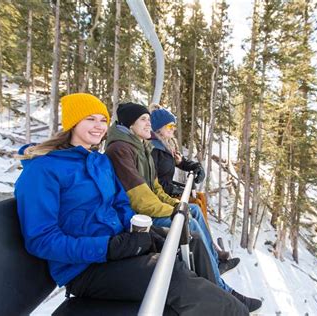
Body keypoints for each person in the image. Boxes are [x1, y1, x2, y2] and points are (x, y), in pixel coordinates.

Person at [14, 93, 250, 315]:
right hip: (83, 268)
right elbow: (41, 240)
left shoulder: (99, 162)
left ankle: (223, 298)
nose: (98, 126)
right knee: (170, 274)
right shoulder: (43, 170)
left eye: (102, 120)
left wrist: (144, 232)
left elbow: (120, 205)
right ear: (72, 123)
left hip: (117, 251)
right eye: (90, 119)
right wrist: (110, 247)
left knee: (187, 241)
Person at [105, 102, 262, 312]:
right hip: (137, 216)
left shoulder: (141, 145)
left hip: (148, 207)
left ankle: (215, 264)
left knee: (193, 210)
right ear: (129, 123)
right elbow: (139, 197)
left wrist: (176, 203)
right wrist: (173, 210)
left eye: (149, 120)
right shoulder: (122, 149)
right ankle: (222, 290)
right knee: (190, 225)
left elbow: (155, 187)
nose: (148, 124)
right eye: (143, 119)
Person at [150, 107, 239, 273]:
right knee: (194, 208)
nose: (173, 129)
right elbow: (156, 184)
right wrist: (181, 188)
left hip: (168, 193)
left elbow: (179, 161)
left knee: (198, 203)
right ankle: (212, 259)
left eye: (173, 126)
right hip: (161, 199)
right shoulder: (154, 150)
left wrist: (196, 167)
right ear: (159, 128)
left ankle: (214, 254)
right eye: (170, 126)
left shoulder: (165, 146)